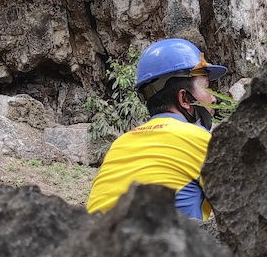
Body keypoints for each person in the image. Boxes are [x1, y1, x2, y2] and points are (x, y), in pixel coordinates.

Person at [86, 38, 226, 220]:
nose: (213, 99)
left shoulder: (120, 144)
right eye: (207, 88)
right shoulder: (199, 139)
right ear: (184, 99)